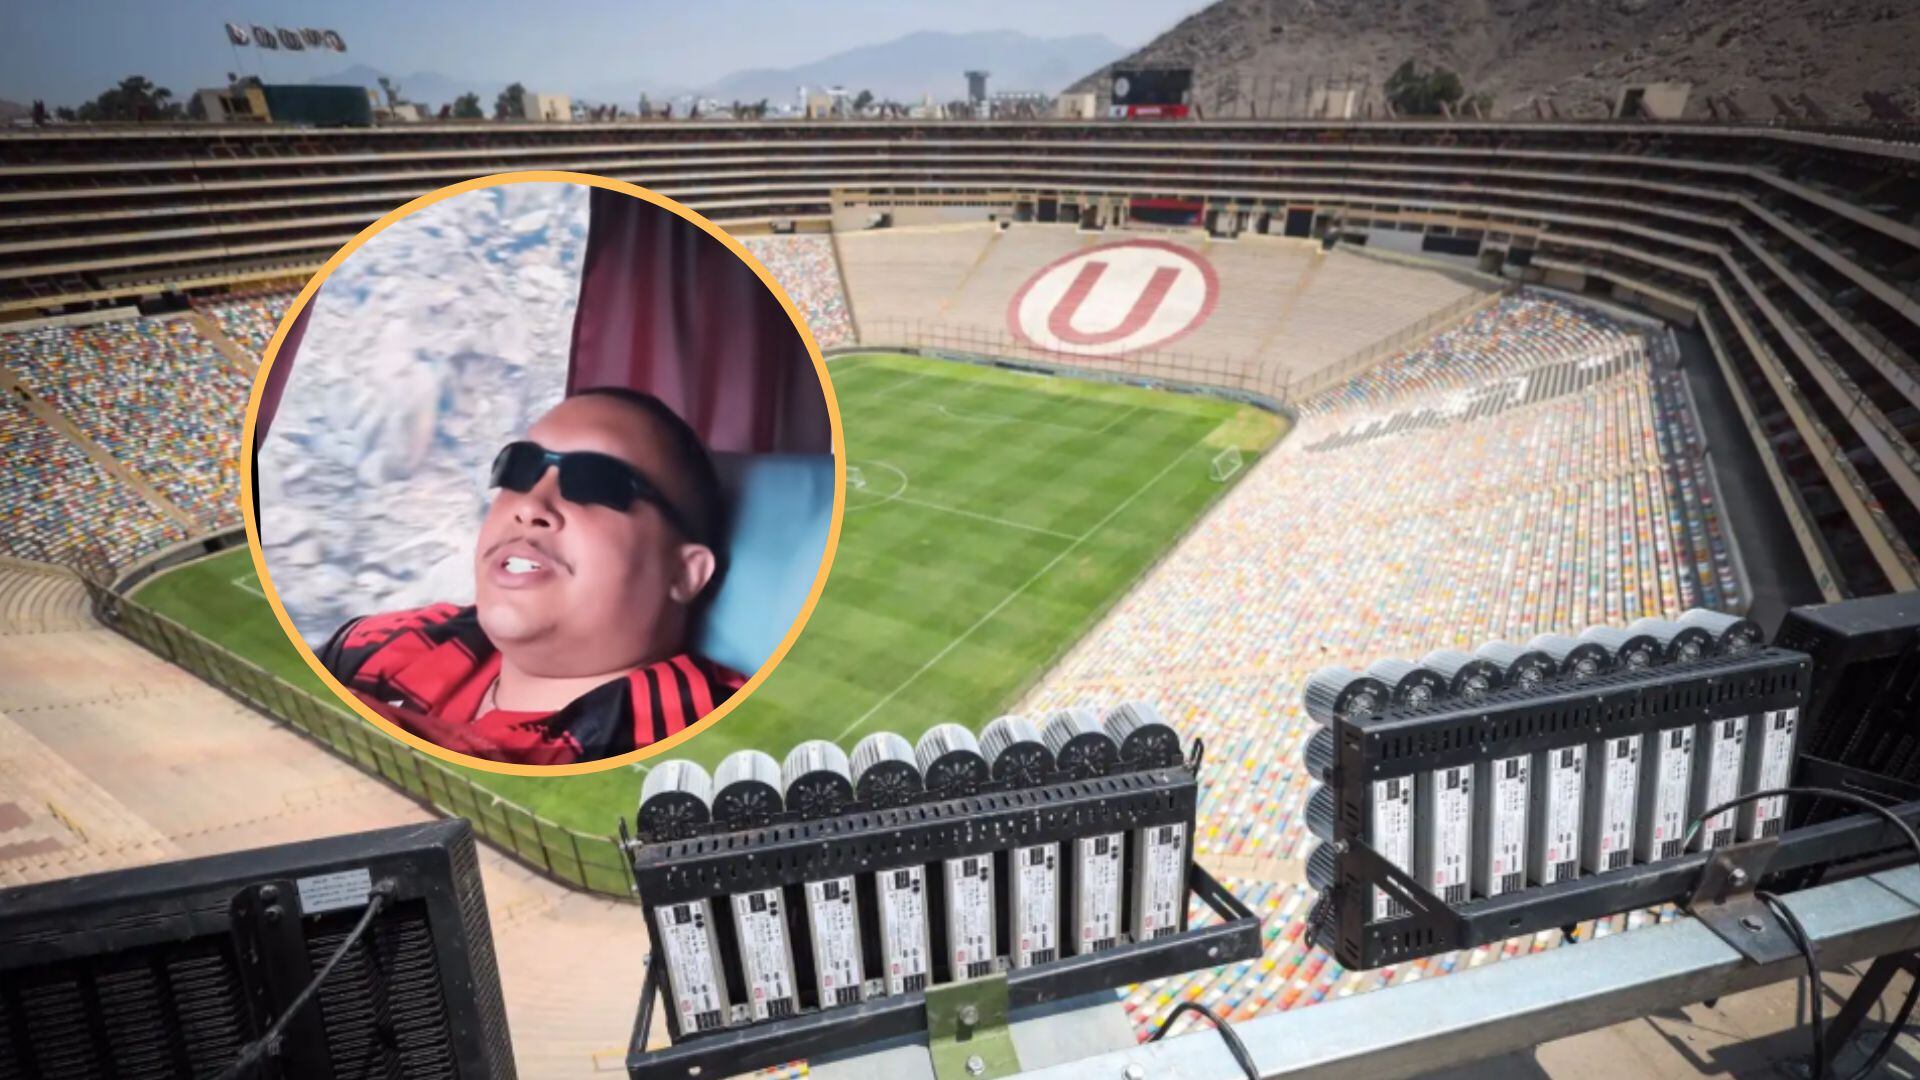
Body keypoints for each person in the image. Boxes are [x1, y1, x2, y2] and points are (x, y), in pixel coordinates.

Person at [318, 387, 744, 765]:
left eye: (595, 482)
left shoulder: (710, 735)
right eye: (518, 469)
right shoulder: (387, 643)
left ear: (684, 573)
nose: (530, 506)